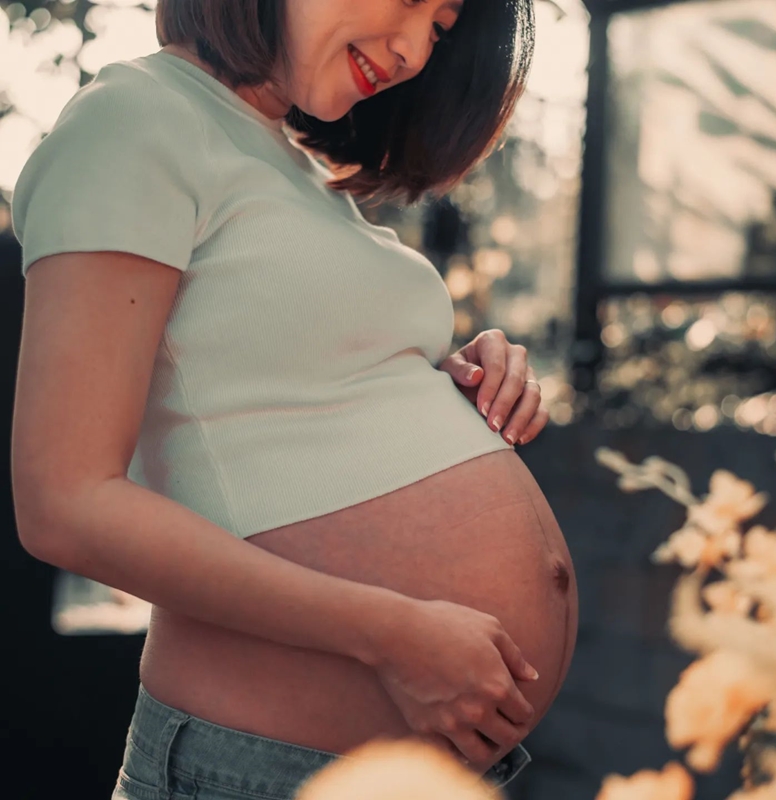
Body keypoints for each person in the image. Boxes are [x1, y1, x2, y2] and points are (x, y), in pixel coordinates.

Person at [10, 0, 578, 798]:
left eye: (442, 29)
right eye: (413, 2)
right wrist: (392, 636)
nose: (416, 50)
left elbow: (258, 376)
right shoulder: (137, 120)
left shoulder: (288, 160)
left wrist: (446, 381)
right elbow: (63, 504)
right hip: (259, 769)